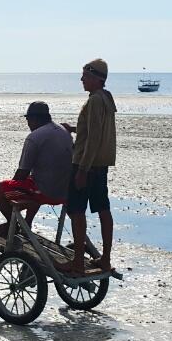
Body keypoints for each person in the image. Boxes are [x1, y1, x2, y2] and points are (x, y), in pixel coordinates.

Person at [61, 58, 117, 274]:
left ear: (95, 78)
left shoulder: (94, 100)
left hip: (87, 164)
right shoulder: (106, 97)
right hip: (101, 165)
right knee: (103, 209)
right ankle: (105, 258)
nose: (81, 79)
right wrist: (74, 129)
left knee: (76, 210)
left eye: (84, 75)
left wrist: (82, 170)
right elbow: (95, 130)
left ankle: (76, 262)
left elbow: (93, 139)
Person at [0, 101, 73, 232]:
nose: (28, 124)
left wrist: (11, 185)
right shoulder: (63, 131)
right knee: (32, 183)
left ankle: (10, 225)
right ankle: (27, 223)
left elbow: (21, 174)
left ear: (35, 119)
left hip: (47, 192)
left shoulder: (34, 137)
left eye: (28, 120)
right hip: (67, 191)